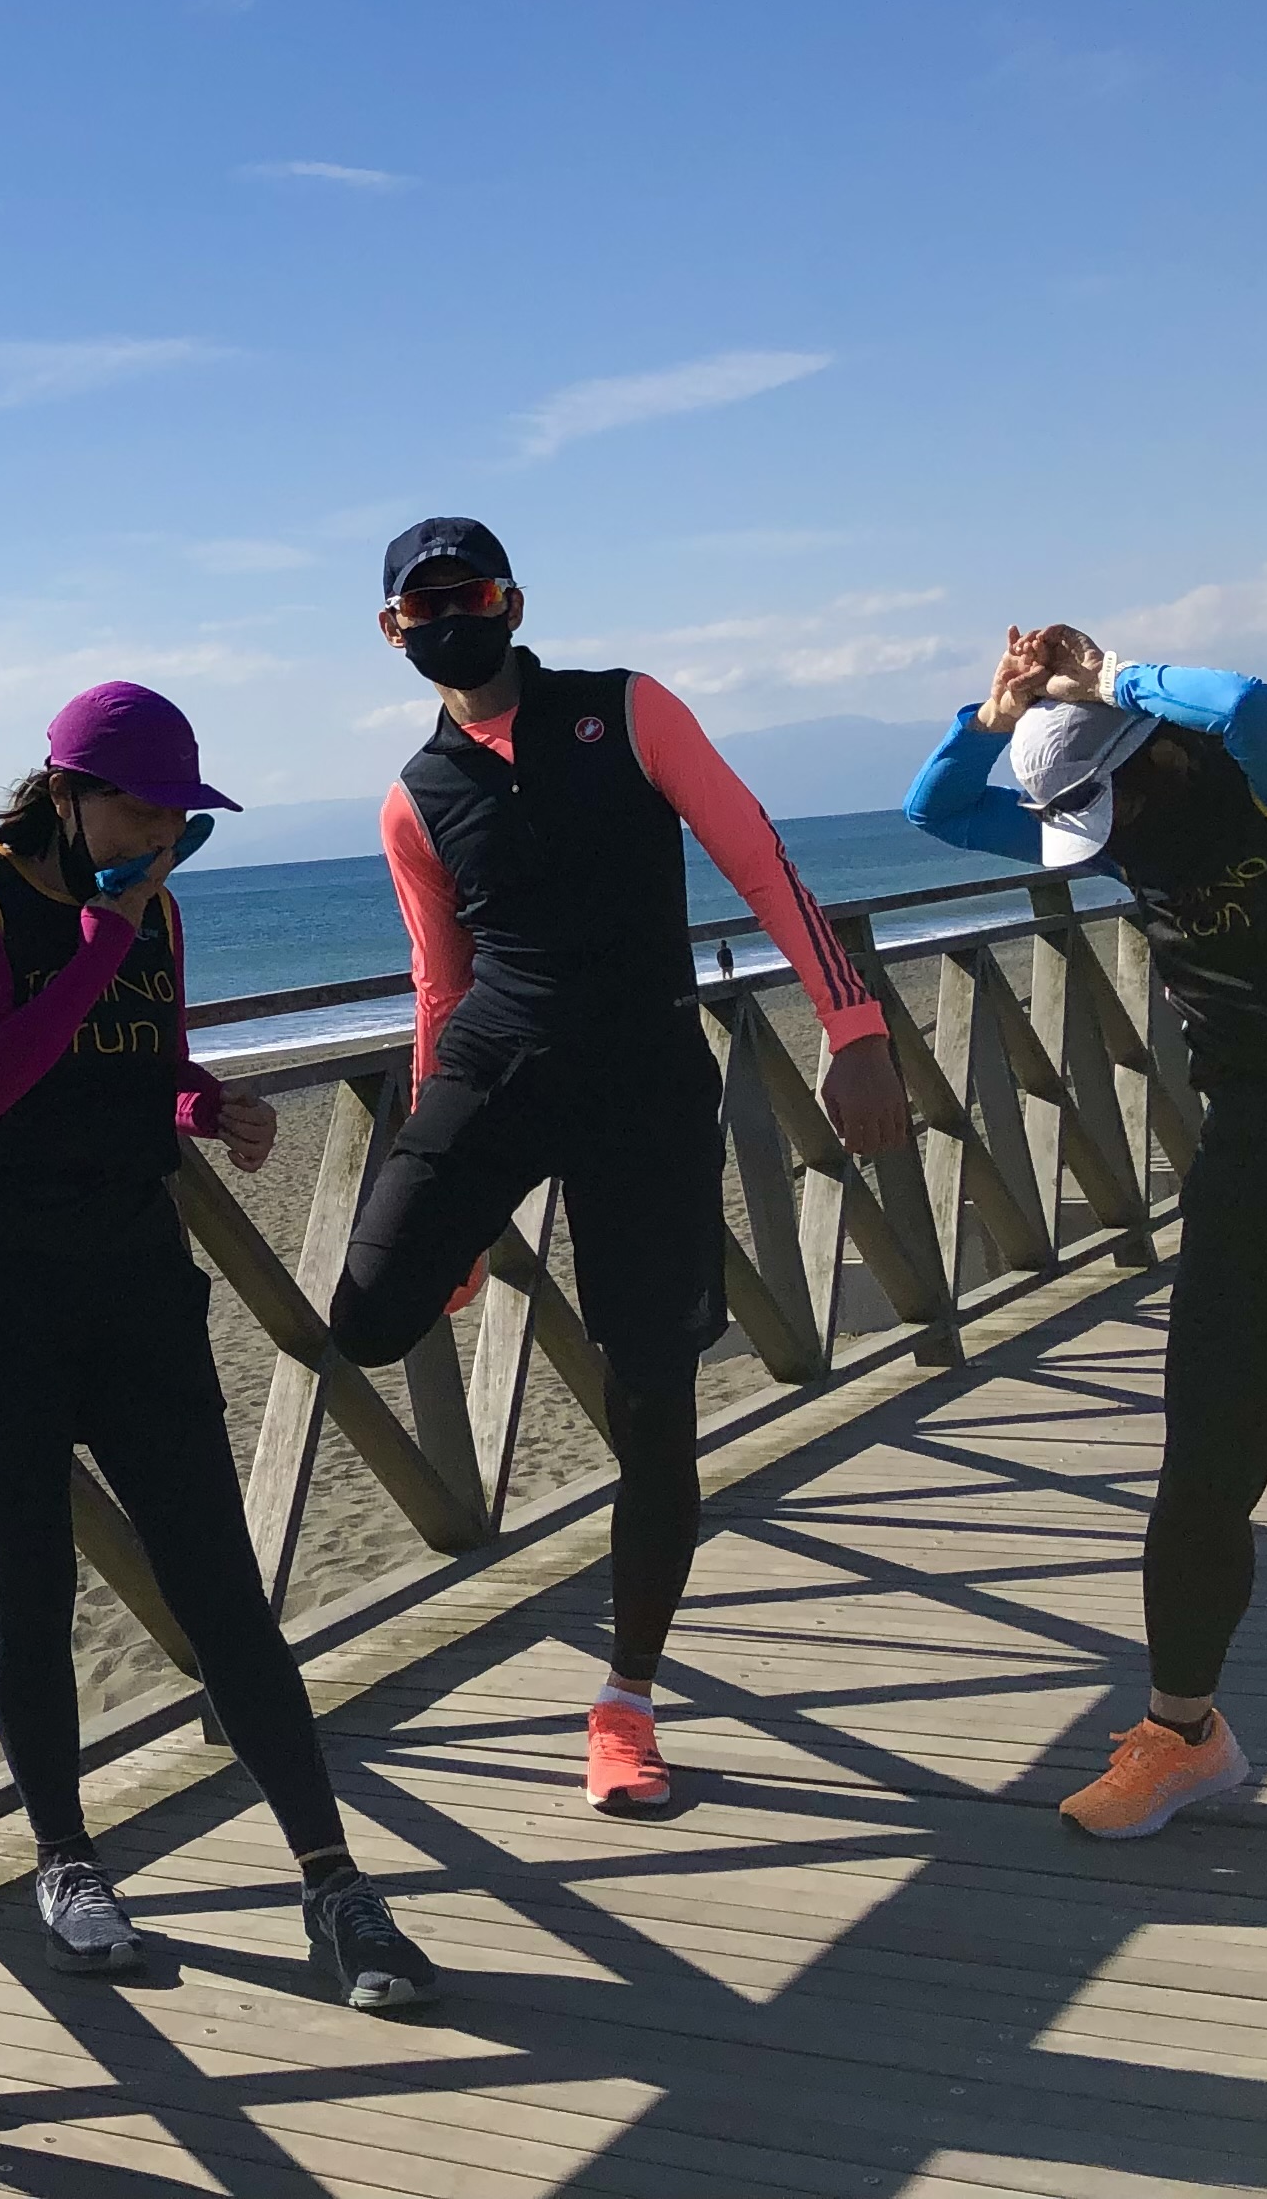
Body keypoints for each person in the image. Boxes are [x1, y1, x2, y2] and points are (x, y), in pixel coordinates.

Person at [326, 520, 910, 1821]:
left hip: (644, 1085)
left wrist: (854, 1025)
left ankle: (625, 1703)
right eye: (423, 606)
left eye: (471, 595)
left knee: (653, 1405)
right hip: (497, 1070)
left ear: (512, 602)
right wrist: (448, 1185)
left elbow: (759, 859)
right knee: (366, 1317)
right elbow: (438, 988)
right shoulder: (414, 796)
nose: (449, 619)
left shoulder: (628, 710)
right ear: (391, 630)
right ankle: (474, 1246)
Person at [908, 628, 1267, 1886]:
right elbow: (936, 811)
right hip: (1253, 1170)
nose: (1089, 833)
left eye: (1099, 799)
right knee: (1203, 1471)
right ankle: (1184, 1736)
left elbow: (1258, 706)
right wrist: (993, 715)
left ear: (1158, 758)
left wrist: (1104, 678)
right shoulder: (1115, 827)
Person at [0, 682, 443, 2009]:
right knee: (29, 1578)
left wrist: (210, 1108)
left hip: (133, 1272)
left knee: (218, 1581)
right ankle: (66, 1862)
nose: (162, 836)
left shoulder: (153, 913)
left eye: (179, 817)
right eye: (141, 810)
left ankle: (334, 1884)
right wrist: (103, 935)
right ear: (66, 793)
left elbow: (148, 1064)